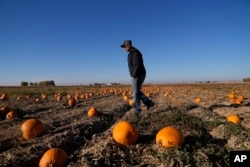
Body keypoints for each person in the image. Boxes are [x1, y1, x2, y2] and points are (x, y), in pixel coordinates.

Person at [120, 40, 155, 114]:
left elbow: (137, 64)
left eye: (125, 47)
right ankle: (148, 103)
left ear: (129, 45)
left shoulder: (135, 52)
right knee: (137, 92)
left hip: (137, 74)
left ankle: (138, 110)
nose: (124, 49)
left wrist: (134, 74)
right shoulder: (132, 53)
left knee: (135, 93)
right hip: (138, 74)